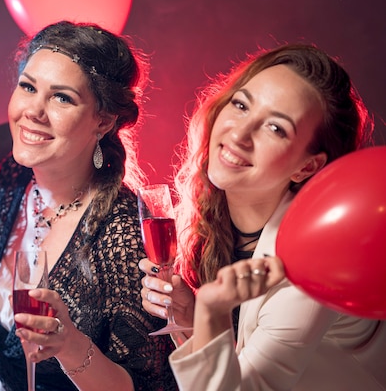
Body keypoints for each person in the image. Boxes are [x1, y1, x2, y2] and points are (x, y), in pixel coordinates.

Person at [139, 43, 386, 390]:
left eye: (275, 128)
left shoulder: (311, 259)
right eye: (240, 105)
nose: (239, 134)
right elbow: (235, 366)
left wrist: (211, 311)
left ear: (307, 166)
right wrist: (191, 318)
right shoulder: (220, 223)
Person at [0, 20, 177, 391]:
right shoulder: (15, 180)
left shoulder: (123, 235)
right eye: (27, 87)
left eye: (62, 97)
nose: (34, 110)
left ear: (103, 120)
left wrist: (69, 345)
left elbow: (148, 387)